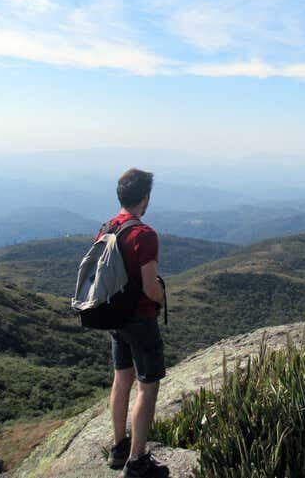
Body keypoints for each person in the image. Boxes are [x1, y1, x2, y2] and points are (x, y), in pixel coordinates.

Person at [102, 168, 169, 478]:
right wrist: (160, 299)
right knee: (148, 386)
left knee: (121, 379)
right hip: (140, 319)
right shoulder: (144, 234)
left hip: (116, 318)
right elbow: (149, 287)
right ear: (145, 198)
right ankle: (137, 461)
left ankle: (118, 447)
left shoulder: (107, 228)